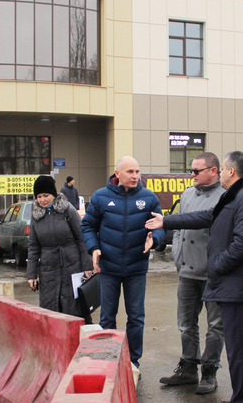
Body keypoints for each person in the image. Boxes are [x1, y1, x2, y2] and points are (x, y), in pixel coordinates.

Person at [147, 151, 243, 403]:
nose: (223, 173)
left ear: (230, 171)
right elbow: (206, 216)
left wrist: (218, 264)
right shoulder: (238, 194)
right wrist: (167, 221)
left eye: (223, 169)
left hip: (237, 282)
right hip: (236, 281)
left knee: (238, 346)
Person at [80, 156, 164, 367]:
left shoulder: (149, 198)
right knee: (107, 318)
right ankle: (108, 361)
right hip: (108, 268)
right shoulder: (100, 197)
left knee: (136, 318)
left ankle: (133, 361)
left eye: (137, 171)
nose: (135, 176)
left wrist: (154, 240)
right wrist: (94, 248)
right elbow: (88, 226)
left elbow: (160, 227)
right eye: (130, 172)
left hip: (137, 268)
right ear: (117, 174)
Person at [159, 152, 226, 394]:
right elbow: (178, 225)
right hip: (186, 270)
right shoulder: (187, 193)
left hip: (213, 273)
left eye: (197, 171)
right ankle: (188, 367)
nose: (192, 175)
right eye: (191, 170)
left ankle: (209, 371)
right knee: (186, 323)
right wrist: (177, 252)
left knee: (215, 326)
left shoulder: (225, 197)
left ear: (214, 171)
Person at [26, 175, 93, 316]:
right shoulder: (35, 215)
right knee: (50, 308)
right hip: (48, 270)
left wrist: (87, 266)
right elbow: (33, 246)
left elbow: (81, 238)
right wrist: (31, 275)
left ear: (54, 194)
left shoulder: (67, 210)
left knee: (73, 308)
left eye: (46, 195)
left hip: (72, 267)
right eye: (38, 196)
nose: (42, 200)